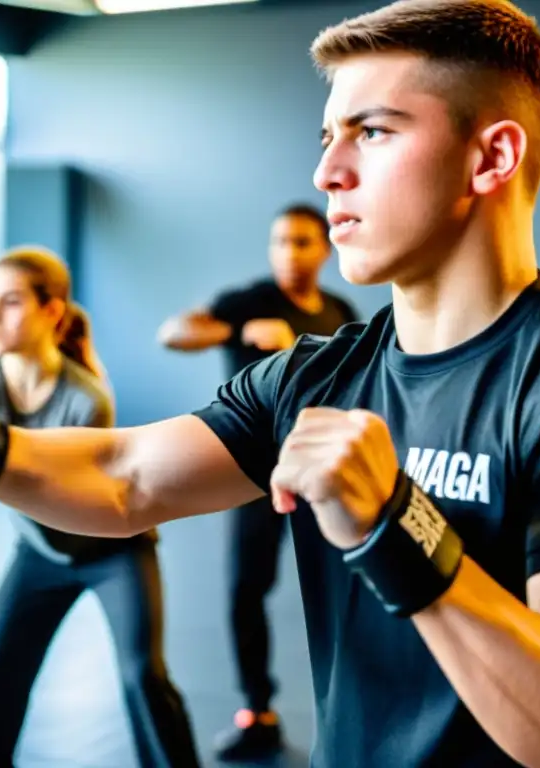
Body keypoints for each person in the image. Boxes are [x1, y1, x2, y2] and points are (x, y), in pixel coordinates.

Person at [0, 1, 540, 766]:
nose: (328, 174)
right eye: (329, 137)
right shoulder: (319, 374)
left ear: (490, 156)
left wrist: (399, 528)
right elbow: (125, 476)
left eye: (375, 131)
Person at [0, 247, 200, 768]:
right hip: (40, 553)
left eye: (9, 302)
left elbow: (46, 485)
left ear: (51, 311)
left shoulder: (85, 397)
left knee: (143, 677)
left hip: (114, 553)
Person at [157, 203, 358, 761]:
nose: (288, 254)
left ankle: (354, 710)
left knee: (349, 591)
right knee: (247, 590)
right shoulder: (249, 300)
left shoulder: (340, 311)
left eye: (300, 243)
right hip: (257, 475)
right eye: (279, 242)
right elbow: (174, 332)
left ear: (323, 248)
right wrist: (236, 329)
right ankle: (257, 711)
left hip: (323, 473)